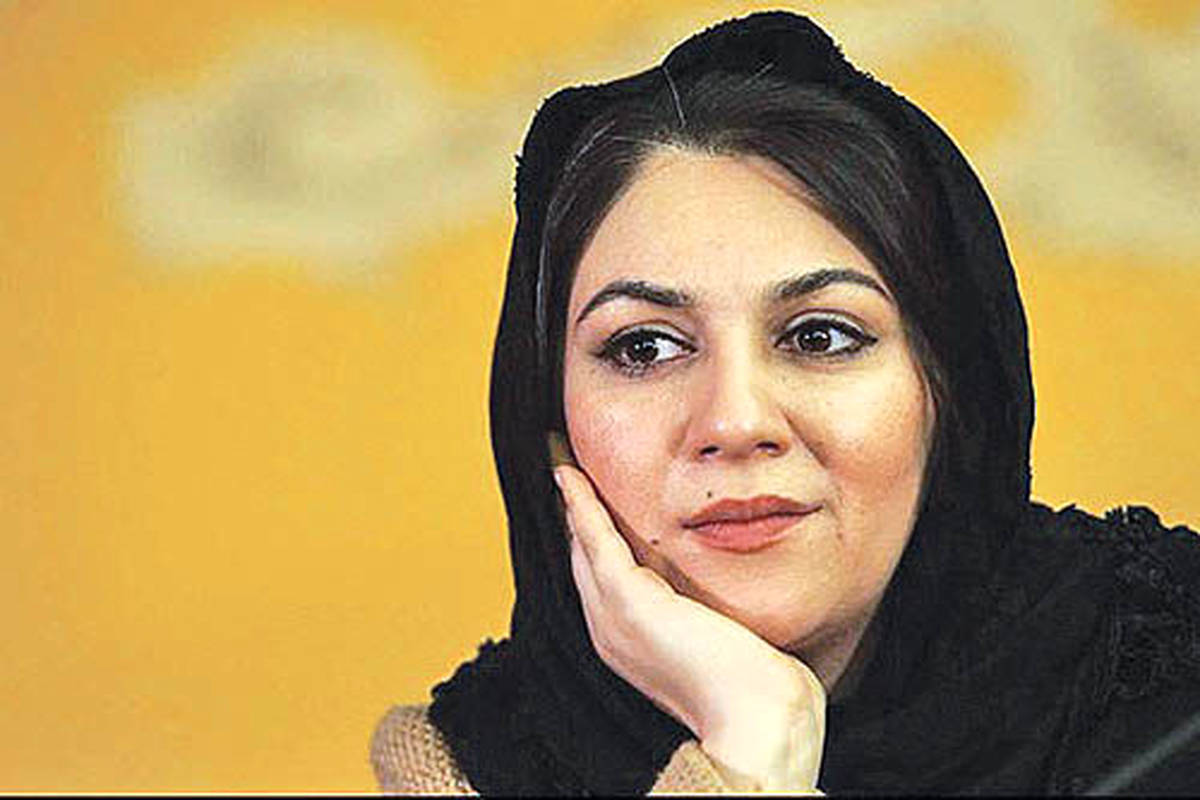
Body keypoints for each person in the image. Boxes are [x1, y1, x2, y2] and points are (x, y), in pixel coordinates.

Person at [370, 11, 1200, 794]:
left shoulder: (1175, 694)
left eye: (821, 337)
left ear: (947, 389)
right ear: (549, 424)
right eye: (644, 348)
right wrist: (749, 748)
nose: (735, 423)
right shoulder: (466, 766)